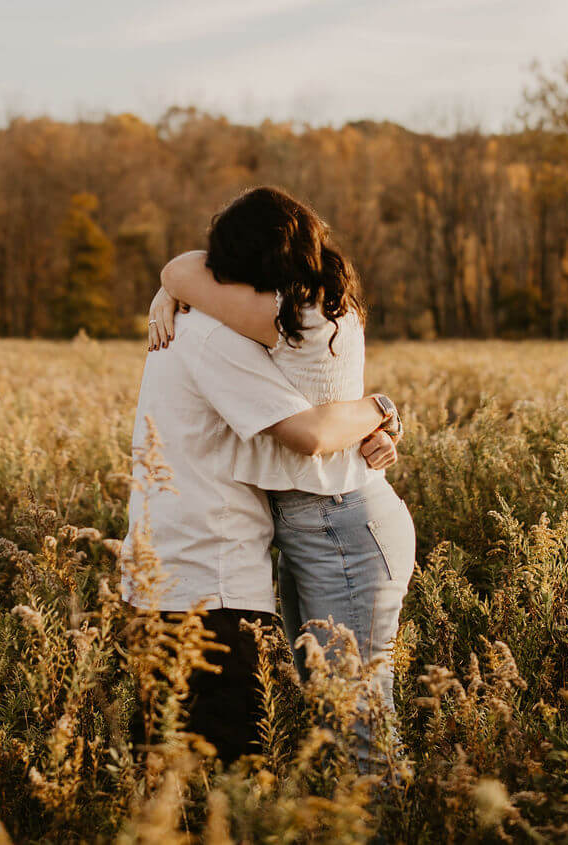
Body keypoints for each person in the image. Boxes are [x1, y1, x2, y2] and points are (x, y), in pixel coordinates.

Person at [147, 185, 416, 775]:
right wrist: (168, 293)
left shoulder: (289, 314)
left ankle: (388, 826)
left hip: (340, 523)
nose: (217, 272)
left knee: (359, 720)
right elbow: (183, 275)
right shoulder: (304, 303)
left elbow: (183, 269)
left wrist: (379, 407)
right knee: (338, 709)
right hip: (321, 520)